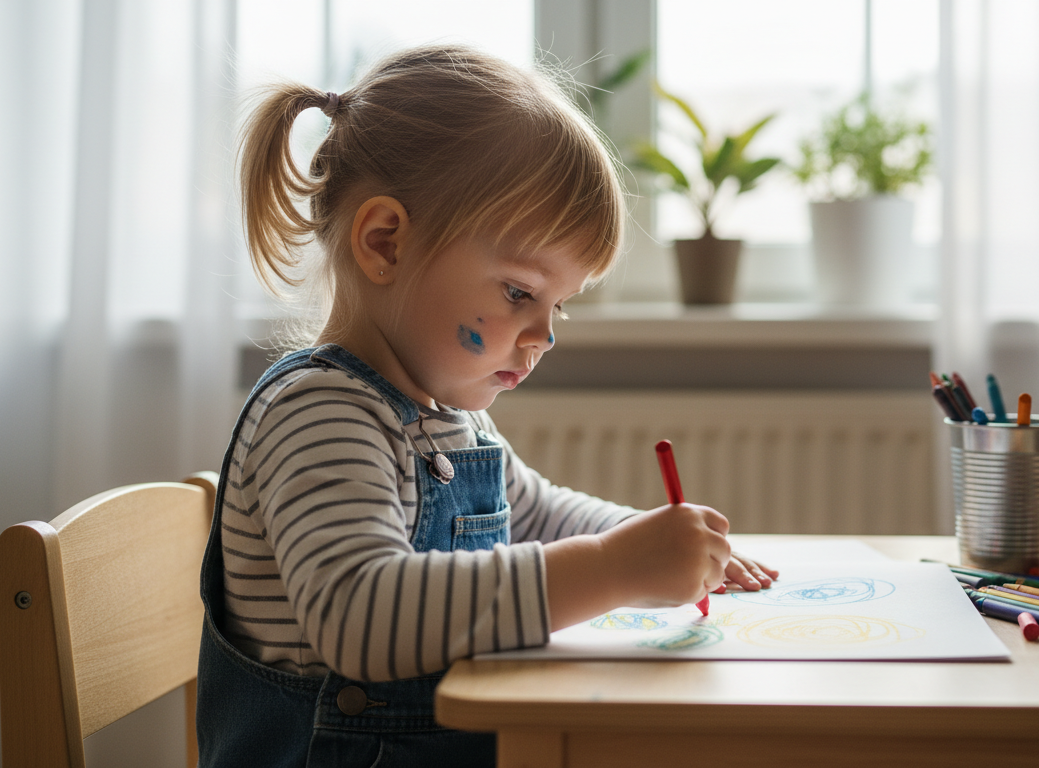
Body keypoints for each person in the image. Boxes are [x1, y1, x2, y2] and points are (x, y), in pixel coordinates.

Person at [197, 45, 778, 767]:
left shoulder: (444, 417)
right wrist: (614, 568)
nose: (545, 334)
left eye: (559, 304)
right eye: (518, 293)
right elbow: (360, 614)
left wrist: (647, 537)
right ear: (385, 243)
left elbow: (536, 511)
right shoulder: (319, 414)